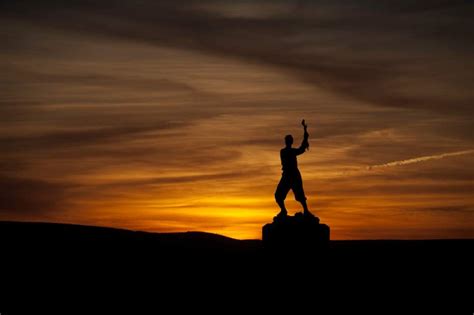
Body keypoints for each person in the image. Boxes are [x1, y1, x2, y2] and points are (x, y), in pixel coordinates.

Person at [274, 119, 314, 218]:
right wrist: (305, 137)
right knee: (278, 195)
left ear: (290, 142)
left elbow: (301, 148)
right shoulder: (284, 151)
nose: (287, 142)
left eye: (288, 140)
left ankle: (306, 211)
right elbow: (301, 148)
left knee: (300, 196)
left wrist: (305, 134)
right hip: (288, 175)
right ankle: (284, 211)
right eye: (287, 140)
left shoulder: (289, 151)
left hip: (293, 175)